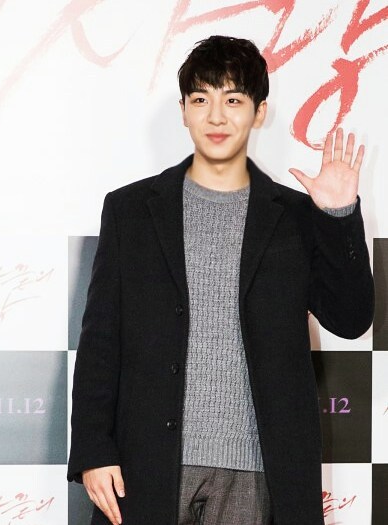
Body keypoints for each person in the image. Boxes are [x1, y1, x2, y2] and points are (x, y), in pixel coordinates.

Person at [67, 35, 374, 525]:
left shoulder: (295, 216)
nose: (216, 116)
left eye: (233, 100)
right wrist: (92, 449)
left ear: (259, 112)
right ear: (184, 111)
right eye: (201, 99)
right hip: (147, 464)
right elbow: (101, 340)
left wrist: (337, 217)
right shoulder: (130, 211)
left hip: (258, 472)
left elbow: (351, 319)